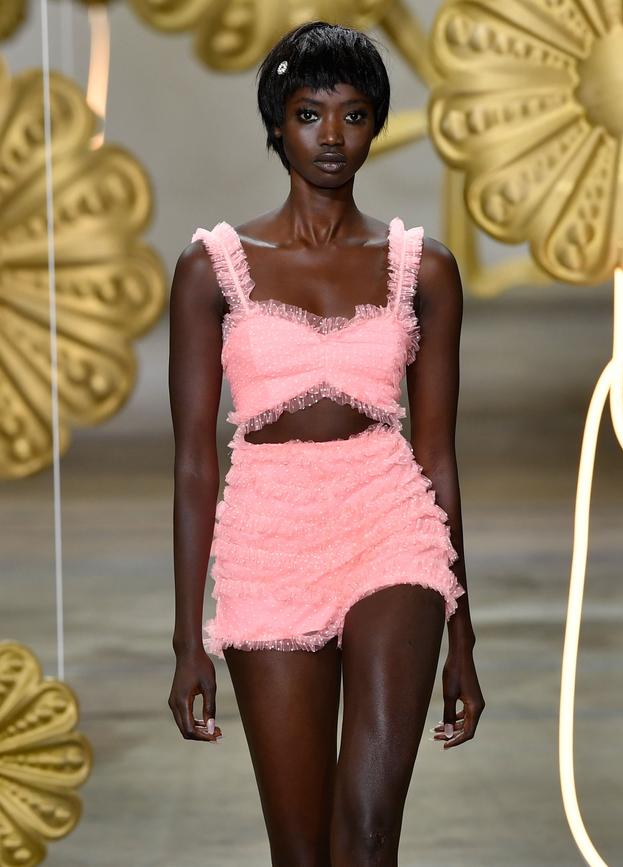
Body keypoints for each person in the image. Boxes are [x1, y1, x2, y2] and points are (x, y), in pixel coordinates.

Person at [168, 20, 484, 866]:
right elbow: (197, 461)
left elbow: (439, 456)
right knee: (301, 851)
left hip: (390, 522)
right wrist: (184, 638)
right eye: (311, 113)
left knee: (369, 835)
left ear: (376, 124)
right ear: (278, 125)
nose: (333, 136)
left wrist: (463, 636)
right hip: (267, 536)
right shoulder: (212, 269)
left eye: (353, 114)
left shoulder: (424, 269)